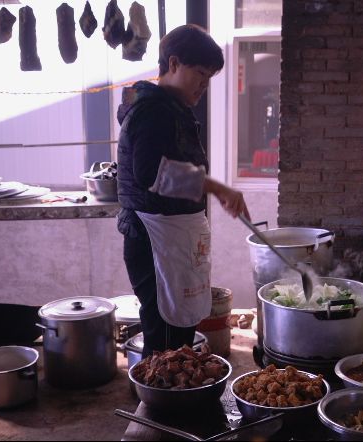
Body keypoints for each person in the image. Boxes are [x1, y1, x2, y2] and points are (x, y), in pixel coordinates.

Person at [116, 24, 250, 358]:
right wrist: (216, 187)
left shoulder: (172, 109)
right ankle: (159, 404)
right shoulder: (152, 110)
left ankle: (175, 400)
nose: (204, 85)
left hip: (173, 239)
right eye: (200, 74)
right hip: (153, 239)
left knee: (178, 337)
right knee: (164, 339)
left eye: (210, 77)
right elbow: (151, 173)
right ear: (173, 64)